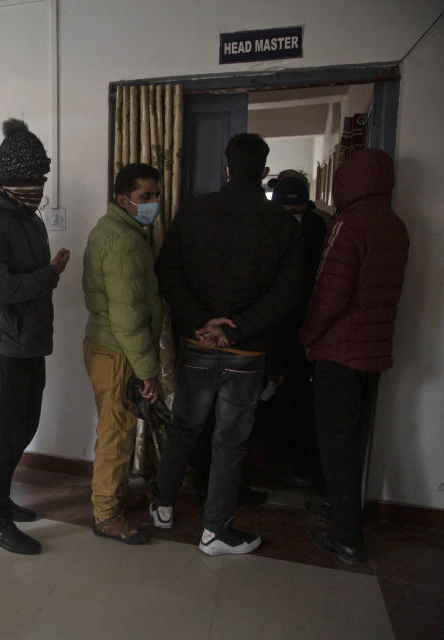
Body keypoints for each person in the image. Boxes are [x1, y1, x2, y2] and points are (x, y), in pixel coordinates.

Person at [153, 133, 303, 555]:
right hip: (246, 350)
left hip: (198, 342)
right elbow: (287, 294)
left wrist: (204, 322)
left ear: (227, 169)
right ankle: (214, 530)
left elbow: (168, 273)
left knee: (184, 427)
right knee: (230, 442)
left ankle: (162, 505)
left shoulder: (195, 212)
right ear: (265, 172)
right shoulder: (281, 224)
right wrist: (235, 329)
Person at [0, 119, 70, 554]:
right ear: (16, 178)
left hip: (29, 341)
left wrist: (44, 279)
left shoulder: (27, 218)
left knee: (23, 426)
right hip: (7, 347)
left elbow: (12, 285)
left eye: (43, 179)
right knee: (7, 433)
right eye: (36, 179)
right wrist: (50, 275)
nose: (41, 187)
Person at [301, 148, 409, 565]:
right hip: (374, 354)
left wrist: (308, 337)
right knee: (354, 440)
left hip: (340, 353)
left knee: (336, 446)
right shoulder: (395, 225)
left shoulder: (348, 226)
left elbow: (330, 295)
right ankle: (343, 513)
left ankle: (346, 537)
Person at [82, 162, 165, 545]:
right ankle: (106, 514)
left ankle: (111, 493)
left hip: (109, 347)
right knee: (116, 432)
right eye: (145, 196)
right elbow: (129, 316)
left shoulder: (117, 231)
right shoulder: (123, 241)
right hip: (117, 349)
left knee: (117, 428)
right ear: (123, 199)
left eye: (155, 196)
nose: (153, 203)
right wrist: (149, 370)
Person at [259, 176, 329, 486]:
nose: (292, 220)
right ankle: (268, 462)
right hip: (268, 326)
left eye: (297, 213)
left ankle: (298, 464)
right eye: (286, 213)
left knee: (299, 399)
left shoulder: (320, 228)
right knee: (265, 400)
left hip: (307, 327)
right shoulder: (263, 225)